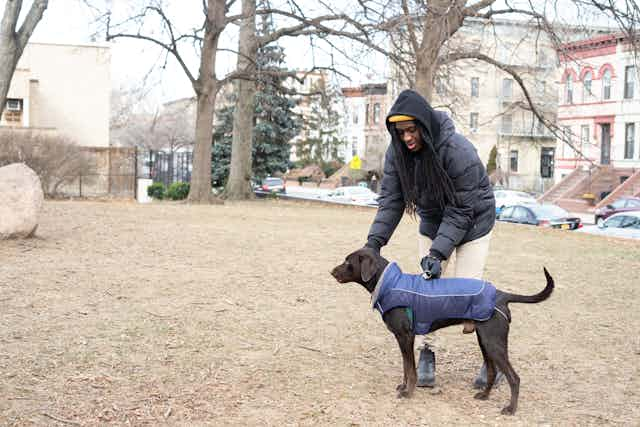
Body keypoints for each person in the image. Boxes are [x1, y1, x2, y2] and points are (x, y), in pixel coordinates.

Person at [364, 89, 497, 389]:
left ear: (424, 125)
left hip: (474, 220)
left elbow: (462, 210)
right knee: (424, 292)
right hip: (433, 220)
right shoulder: (398, 154)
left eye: (412, 130)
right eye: (401, 132)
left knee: (469, 296)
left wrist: (438, 254)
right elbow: (391, 201)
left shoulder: (457, 151)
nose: (407, 138)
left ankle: (493, 361)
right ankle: (427, 353)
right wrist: (374, 243)